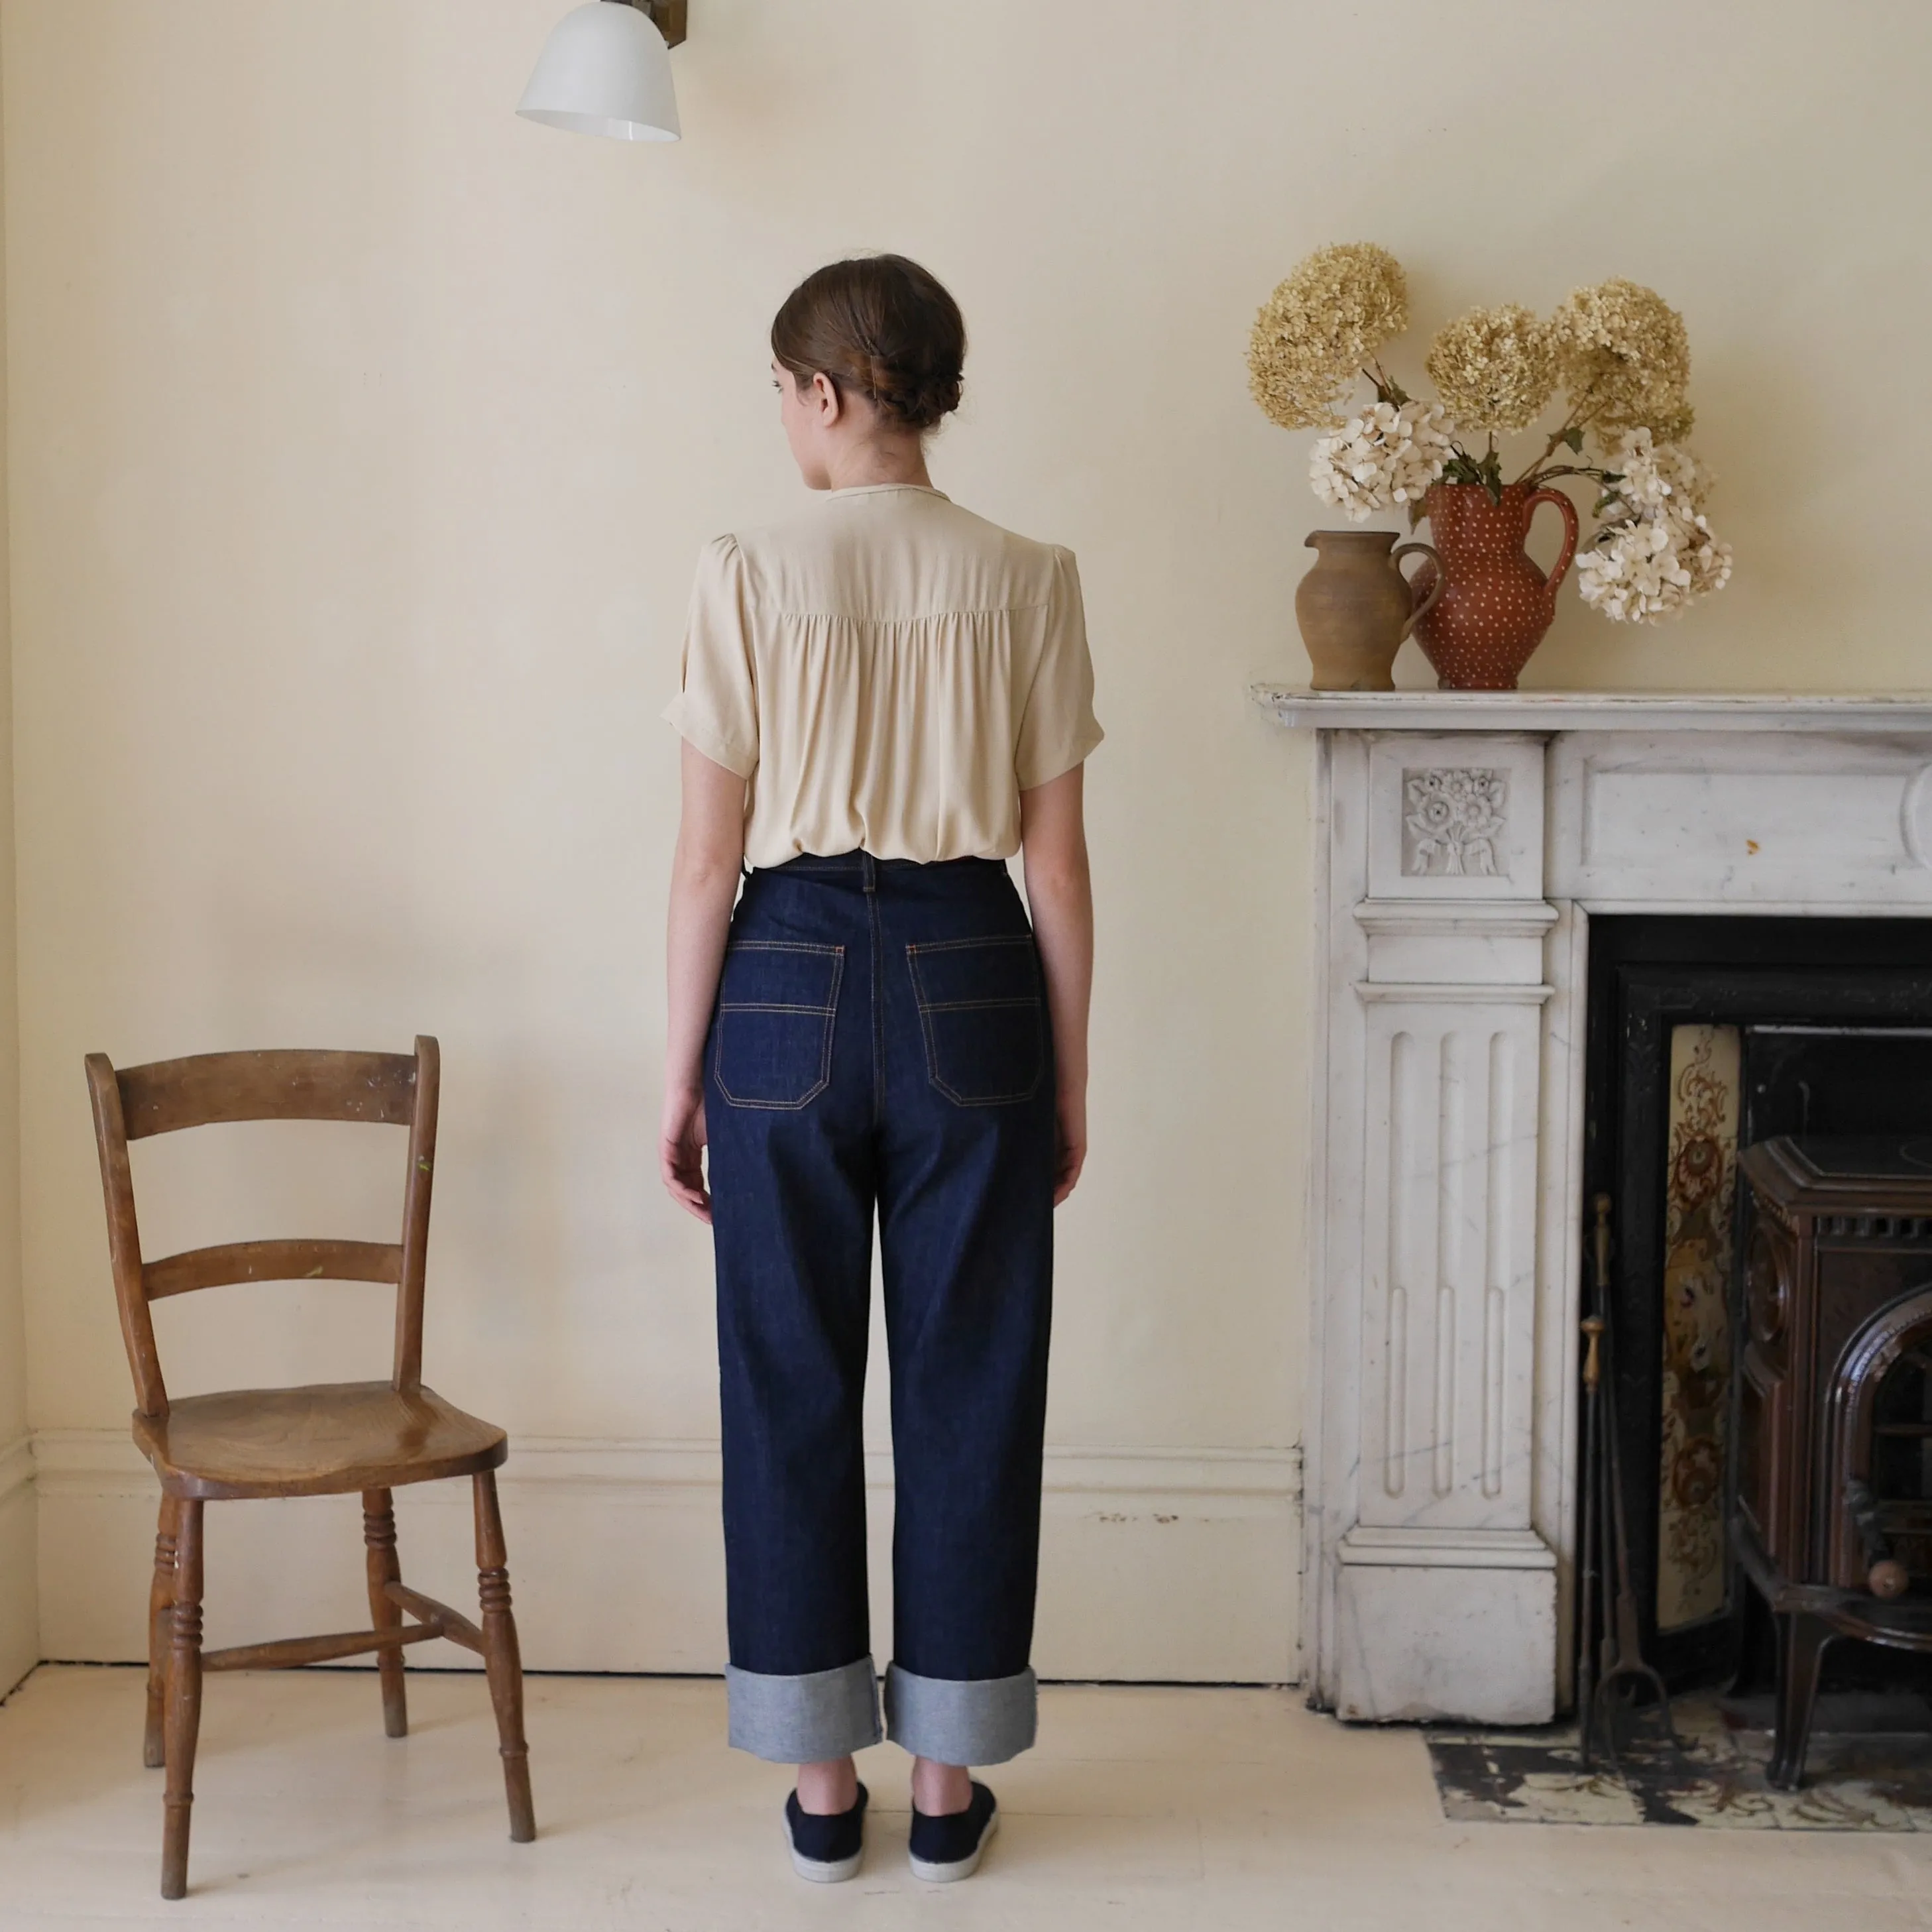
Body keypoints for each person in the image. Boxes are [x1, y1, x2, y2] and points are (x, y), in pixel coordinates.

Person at [658, 253, 1100, 1884]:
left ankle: (817, 1790)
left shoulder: (743, 567)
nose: (778, 416)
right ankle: (942, 1789)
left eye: (783, 387)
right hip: (970, 971)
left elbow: (706, 863)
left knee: (785, 1374)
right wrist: (1065, 1071)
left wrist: (680, 1071)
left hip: (777, 976)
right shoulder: (1028, 573)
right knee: (971, 1372)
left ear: (830, 390)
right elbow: (1055, 868)